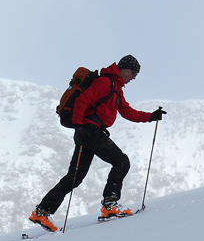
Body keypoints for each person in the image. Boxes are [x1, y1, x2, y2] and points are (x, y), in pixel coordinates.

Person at [29, 55, 166, 231]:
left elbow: (127, 112)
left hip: (86, 132)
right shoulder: (105, 83)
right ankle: (110, 204)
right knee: (121, 161)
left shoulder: (116, 89)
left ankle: (42, 212)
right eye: (133, 73)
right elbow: (82, 100)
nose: (134, 77)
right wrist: (79, 125)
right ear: (124, 70)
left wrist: (151, 117)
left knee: (75, 177)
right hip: (90, 131)